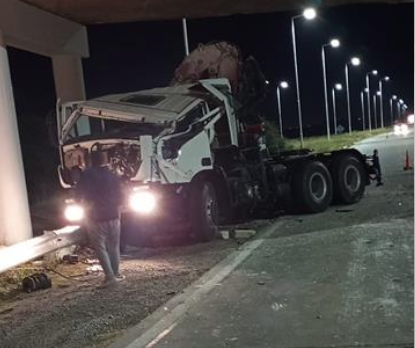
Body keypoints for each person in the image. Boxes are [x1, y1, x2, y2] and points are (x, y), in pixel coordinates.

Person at [76, 151, 125, 288]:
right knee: (114, 246)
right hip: (114, 215)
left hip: (95, 216)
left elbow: (79, 193)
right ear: (105, 160)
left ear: (91, 161)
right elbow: (121, 195)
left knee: (100, 247)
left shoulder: (87, 174)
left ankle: (109, 277)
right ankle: (116, 274)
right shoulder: (113, 175)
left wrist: (80, 204)